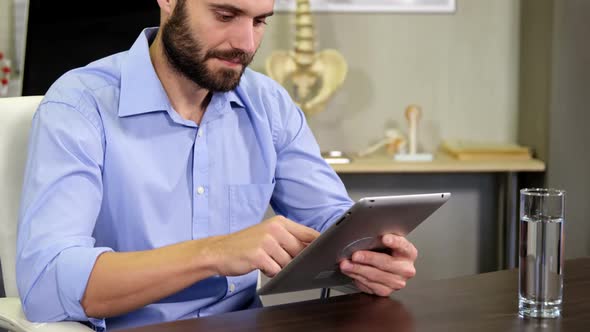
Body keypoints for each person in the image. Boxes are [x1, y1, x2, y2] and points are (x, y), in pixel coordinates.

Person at [16, 0, 418, 330]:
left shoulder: (268, 105)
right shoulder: (79, 105)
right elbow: (46, 285)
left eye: (259, 21)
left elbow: (332, 222)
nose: (245, 43)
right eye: (225, 15)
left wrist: (369, 257)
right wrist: (215, 253)